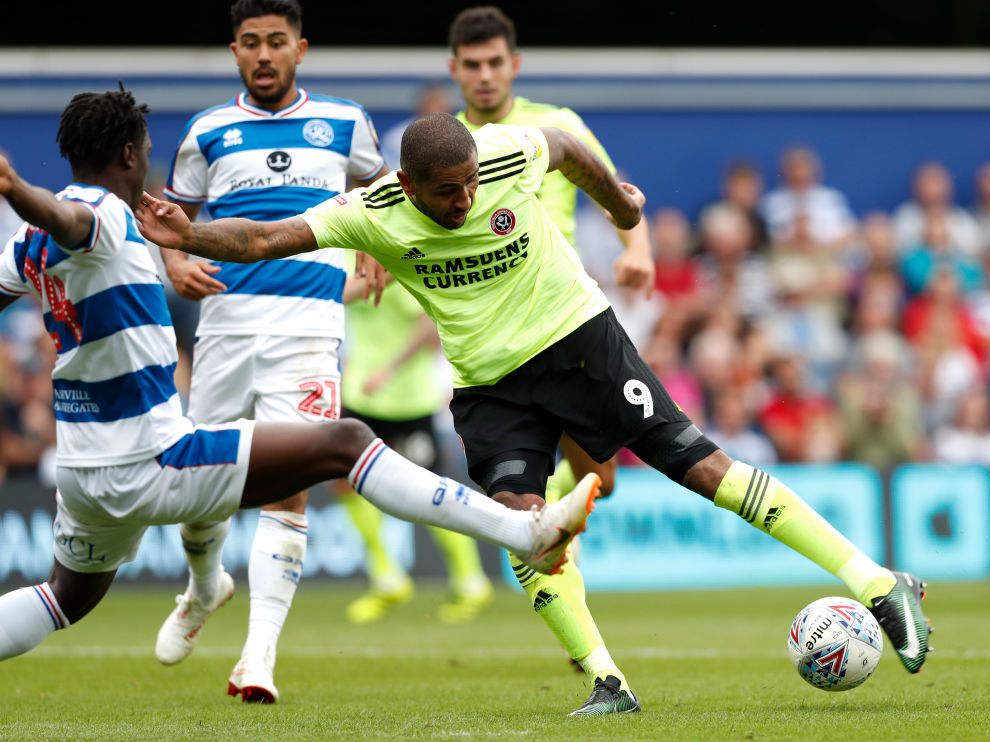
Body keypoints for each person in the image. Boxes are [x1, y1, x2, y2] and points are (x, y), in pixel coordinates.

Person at [138, 111, 935, 716]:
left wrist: (619, 207)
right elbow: (269, 235)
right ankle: (606, 679)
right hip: (491, 388)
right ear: (410, 186)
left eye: (469, 186)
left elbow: (563, 143)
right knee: (526, 529)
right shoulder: (371, 210)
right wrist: (190, 233)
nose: (464, 200)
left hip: (580, 342)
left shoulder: (504, 153)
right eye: (446, 193)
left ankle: (875, 582)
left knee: (703, 469)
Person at [0, 90, 596, 672]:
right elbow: (70, 217)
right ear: (131, 156)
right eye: (147, 150)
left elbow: (47, 232)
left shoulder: (24, 244)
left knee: (65, 597)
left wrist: (27, 202)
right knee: (345, 443)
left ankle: (214, 600)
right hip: (153, 457)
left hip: (80, 470)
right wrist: (16, 189)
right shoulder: (100, 213)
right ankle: (522, 530)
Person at [156, 0, 390, 703]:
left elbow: (379, 194)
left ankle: (258, 659)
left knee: (291, 483)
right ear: (234, 51)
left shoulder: (347, 123)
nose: (264, 54)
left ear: (300, 49)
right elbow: (171, 220)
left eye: (276, 43)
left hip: (309, 330)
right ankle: (204, 588)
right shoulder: (207, 131)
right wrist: (173, 266)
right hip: (226, 328)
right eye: (251, 43)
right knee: (200, 484)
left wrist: (378, 251)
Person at [446, 6, 651, 705]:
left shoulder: (550, 124)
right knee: (538, 506)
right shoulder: (442, 145)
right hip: (497, 353)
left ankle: (556, 543)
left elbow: (611, 189)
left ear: (513, 65)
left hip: (567, 326)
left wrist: (640, 252)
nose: (483, 75)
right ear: (455, 71)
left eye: (493, 62)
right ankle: (588, 646)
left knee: (603, 483)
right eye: (470, 65)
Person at [339, 83, 493, 626]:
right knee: (345, 480)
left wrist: (391, 368)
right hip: (361, 388)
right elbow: (339, 296)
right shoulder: (351, 246)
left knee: (427, 487)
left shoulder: (411, 248)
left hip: (405, 393)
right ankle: (386, 574)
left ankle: (469, 577)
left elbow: (430, 325)